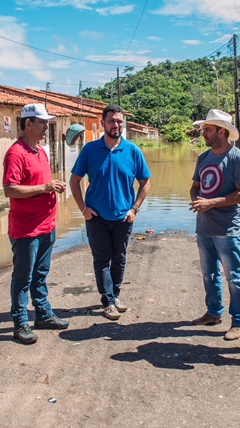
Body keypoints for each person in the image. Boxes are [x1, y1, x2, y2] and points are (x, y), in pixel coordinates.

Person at [69, 105, 151, 321]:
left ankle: (115, 295)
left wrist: (135, 208)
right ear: (103, 123)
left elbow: (146, 182)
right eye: (112, 121)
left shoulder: (133, 150)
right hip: (96, 217)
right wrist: (83, 209)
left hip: (124, 216)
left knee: (120, 258)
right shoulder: (90, 150)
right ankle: (108, 300)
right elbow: (74, 181)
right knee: (101, 259)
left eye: (120, 121)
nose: (116, 125)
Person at [2, 103, 69, 345]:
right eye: (42, 123)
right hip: (26, 229)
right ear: (28, 123)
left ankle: (43, 314)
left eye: (47, 123)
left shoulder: (40, 151)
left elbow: (40, 181)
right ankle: (20, 324)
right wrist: (45, 187)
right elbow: (10, 189)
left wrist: (53, 185)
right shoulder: (15, 153)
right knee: (23, 278)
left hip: (46, 225)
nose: (46, 127)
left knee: (40, 274)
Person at [189, 109, 240, 342]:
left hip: (227, 228)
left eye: (208, 130)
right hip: (204, 226)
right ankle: (214, 312)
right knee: (209, 274)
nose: (204, 133)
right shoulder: (203, 158)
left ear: (222, 132)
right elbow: (195, 185)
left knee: (234, 276)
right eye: (204, 129)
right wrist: (196, 198)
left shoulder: (238, 158)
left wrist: (211, 203)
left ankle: (239, 321)